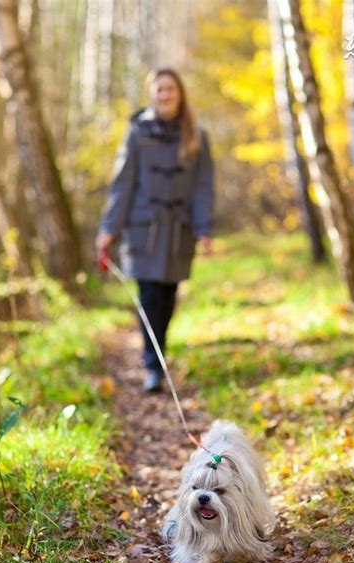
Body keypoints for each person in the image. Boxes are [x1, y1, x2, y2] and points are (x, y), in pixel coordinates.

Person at [96, 68, 214, 392]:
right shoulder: (137, 132)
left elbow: (203, 187)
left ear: (180, 93)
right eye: (159, 89)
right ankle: (153, 366)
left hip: (179, 231)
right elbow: (123, 184)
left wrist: (204, 228)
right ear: (152, 93)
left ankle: (158, 354)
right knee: (149, 296)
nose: (165, 95)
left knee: (168, 296)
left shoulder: (196, 136)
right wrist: (109, 228)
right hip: (143, 229)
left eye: (170, 89)